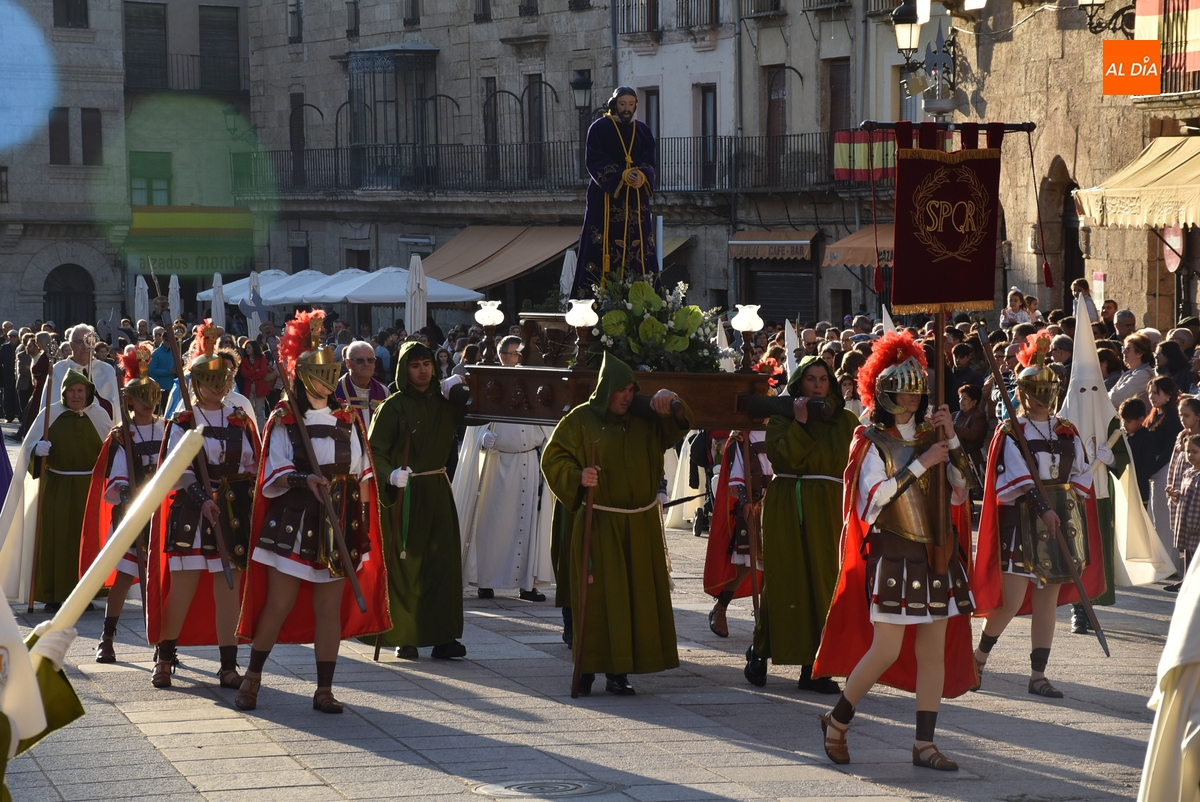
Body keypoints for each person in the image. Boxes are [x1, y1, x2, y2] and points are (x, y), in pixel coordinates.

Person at [813, 330, 976, 771]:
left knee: (932, 651)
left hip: (937, 552)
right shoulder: (871, 440)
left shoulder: (932, 435)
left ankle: (924, 745)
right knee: (885, 649)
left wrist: (952, 439)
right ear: (882, 393)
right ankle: (837, 720)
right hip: (895, 554)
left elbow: (965, 490)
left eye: (915, 393)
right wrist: (924, 462)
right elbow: (873, 499)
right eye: (901, 393)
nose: (910, 400)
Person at [236, 312, 389, 713]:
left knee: (328, 608)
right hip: (296, 520)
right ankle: (252, 677)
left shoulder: (350, 418)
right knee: (278, 603)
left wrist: (365, 529)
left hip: (339, 517)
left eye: (329, 372)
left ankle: (324, 689)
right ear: (302, 375)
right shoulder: (285, 419)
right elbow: (274, 471)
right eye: (317, 372)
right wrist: (306, 480)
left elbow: (361, 473)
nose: (324, 379)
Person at [541, 354, 692, 695]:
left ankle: (618, 670)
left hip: (638, 525)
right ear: (605, 389)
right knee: (597, 598)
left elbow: (677, 425)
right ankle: (586, 667)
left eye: (631, 390)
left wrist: (673, 402)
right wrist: (579, 475)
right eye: (620, 390)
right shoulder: (580, 420)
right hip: (599, 522)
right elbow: (553, 458)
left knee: (631, 597)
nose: (626, 396)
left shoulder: (645, 420)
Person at [972, 334, 1105, 700]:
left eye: (1047, 389)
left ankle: (1038, 675)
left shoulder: (1066, 430)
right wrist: (1042, 505)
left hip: (1058, 521)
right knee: (1011, 601)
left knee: (1047, 601)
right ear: (1024, 390)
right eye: (1035, 389)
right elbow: (1013, 476)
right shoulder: (1011, 431)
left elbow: (1078, 472)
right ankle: (978, 659)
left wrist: (1070, 498)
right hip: (1023, 525)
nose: (1041, 397)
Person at [145, 322, 260, 691]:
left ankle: (228, 665)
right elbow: (176, 471)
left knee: (228, 590)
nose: (218, 386)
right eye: (210, 380)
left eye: (222, 379)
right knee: (182, 589)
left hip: (232, 512)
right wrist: (203, 498)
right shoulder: (182, 421)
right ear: (196, 382)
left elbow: (252, 465)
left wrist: (239, 493)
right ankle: (165, 659)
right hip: (193, 512)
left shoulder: (240, 418)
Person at [744, 356, 858, 693]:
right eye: (811, 379)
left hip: (830, 507)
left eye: (824, 378)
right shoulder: (783, 416)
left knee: (825, 584)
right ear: (799, 383)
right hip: (788, 503)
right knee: (785, 582)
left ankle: (816, 668)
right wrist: (801, 423)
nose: (819, 385)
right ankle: (760, 650)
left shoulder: (847, 420)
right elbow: (783, 458)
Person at [368, 341, 471, 660]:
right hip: (405, 492)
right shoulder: (393, 406)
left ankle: (443, 636)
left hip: (437, 490)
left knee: (442, 565)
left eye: (427, 363)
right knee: (406, 564)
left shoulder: (445, 402)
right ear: (403, 369)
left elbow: (478, 414)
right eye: (415, 365)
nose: (423, 370)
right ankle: (406, 635)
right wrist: (389, 474)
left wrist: (465, 390)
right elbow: (374, 450)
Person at [79, 344, 164, 662]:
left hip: (161, 514)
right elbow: (115, 481)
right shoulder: (120, 436)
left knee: (159, 578)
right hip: (131, 514)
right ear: (130, 401)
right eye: (141, 399)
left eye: (151, 398)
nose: (147, 405)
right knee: (127, 575)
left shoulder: (167, 430)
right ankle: (108, 637)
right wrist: (132, 501)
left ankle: (164, 643)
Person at [454, 335, 554, 602]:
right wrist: (481, 438)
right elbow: (475, 422)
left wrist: (548, 439)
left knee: (527, 524)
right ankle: (485, 581)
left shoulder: (532, 382)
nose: (517, 358)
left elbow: (545, 415)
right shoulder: (490, 382)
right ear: (501, 356)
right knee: (492, 524)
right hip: (498, 464)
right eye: (513, 354)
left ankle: (527, 585)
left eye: (519, 354)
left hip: (528, 463)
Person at [0, 370, 109, 611]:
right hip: (57, 487)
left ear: (89, 392)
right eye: (72, 391)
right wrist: (36, 451)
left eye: (81, 390)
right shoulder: (50, 414)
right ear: (64, 393)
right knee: (55, 538)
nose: (76, 395)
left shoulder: (99, 416)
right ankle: (52, 594)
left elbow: (110, 452)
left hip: (88, 489)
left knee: (85, 541)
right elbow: (28, 452)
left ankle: (84, 592)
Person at [571, 87, 657, 297]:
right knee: (600, 247)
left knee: (639, 247)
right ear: (614, 104)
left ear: (635, 105)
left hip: (636, 200)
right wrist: (621, 175)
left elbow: (650, 160)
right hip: (606, 199)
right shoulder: (599, 128)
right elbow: (594, 160)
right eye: (622, 104)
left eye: (630, 104)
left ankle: (644, 297)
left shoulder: (643, 130)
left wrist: (643, 176)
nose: (627, 109)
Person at [703, 429, 765, 640]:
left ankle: (770, 618)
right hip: (754, 503)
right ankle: (721, 608)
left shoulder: (785, 427)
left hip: (781, 501)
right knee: (748, 563)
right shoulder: (741, 436)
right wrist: (746, 500)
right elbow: (736, 477)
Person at [1146, 377, 1185, 575]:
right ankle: (1159, 562)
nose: (1151, 397)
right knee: (1154, 518)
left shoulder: (1172, 421)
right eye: (1151, 392)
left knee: (1163, 520)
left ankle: (1168, 565)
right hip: (1155, 470)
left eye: (1156, 393)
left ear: (1168, 395)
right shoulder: (1154, 416)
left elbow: (1169, 450)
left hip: (1166, 470)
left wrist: (1151, 467)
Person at [50, 324, 119, 421]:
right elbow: (50, 408)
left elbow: (116, 409)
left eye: (89, 342)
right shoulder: (58, 370)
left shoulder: (107, 370)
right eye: (80, 342)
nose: (85, 347)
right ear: (71, 345)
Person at [336, 341, 389, 432]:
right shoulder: (334, 391)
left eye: (370, 360)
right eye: (360, 360)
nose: (366, 364)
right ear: (348, 363)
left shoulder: (384, 391)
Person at [1109, 333, 1155, 409]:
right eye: (1123, 348)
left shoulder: (1144, 375)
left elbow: (1115, 399)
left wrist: (1110, 396)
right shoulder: (1127, 373)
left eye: (1128, 349)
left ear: (1139, 353)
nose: (1123, 352)